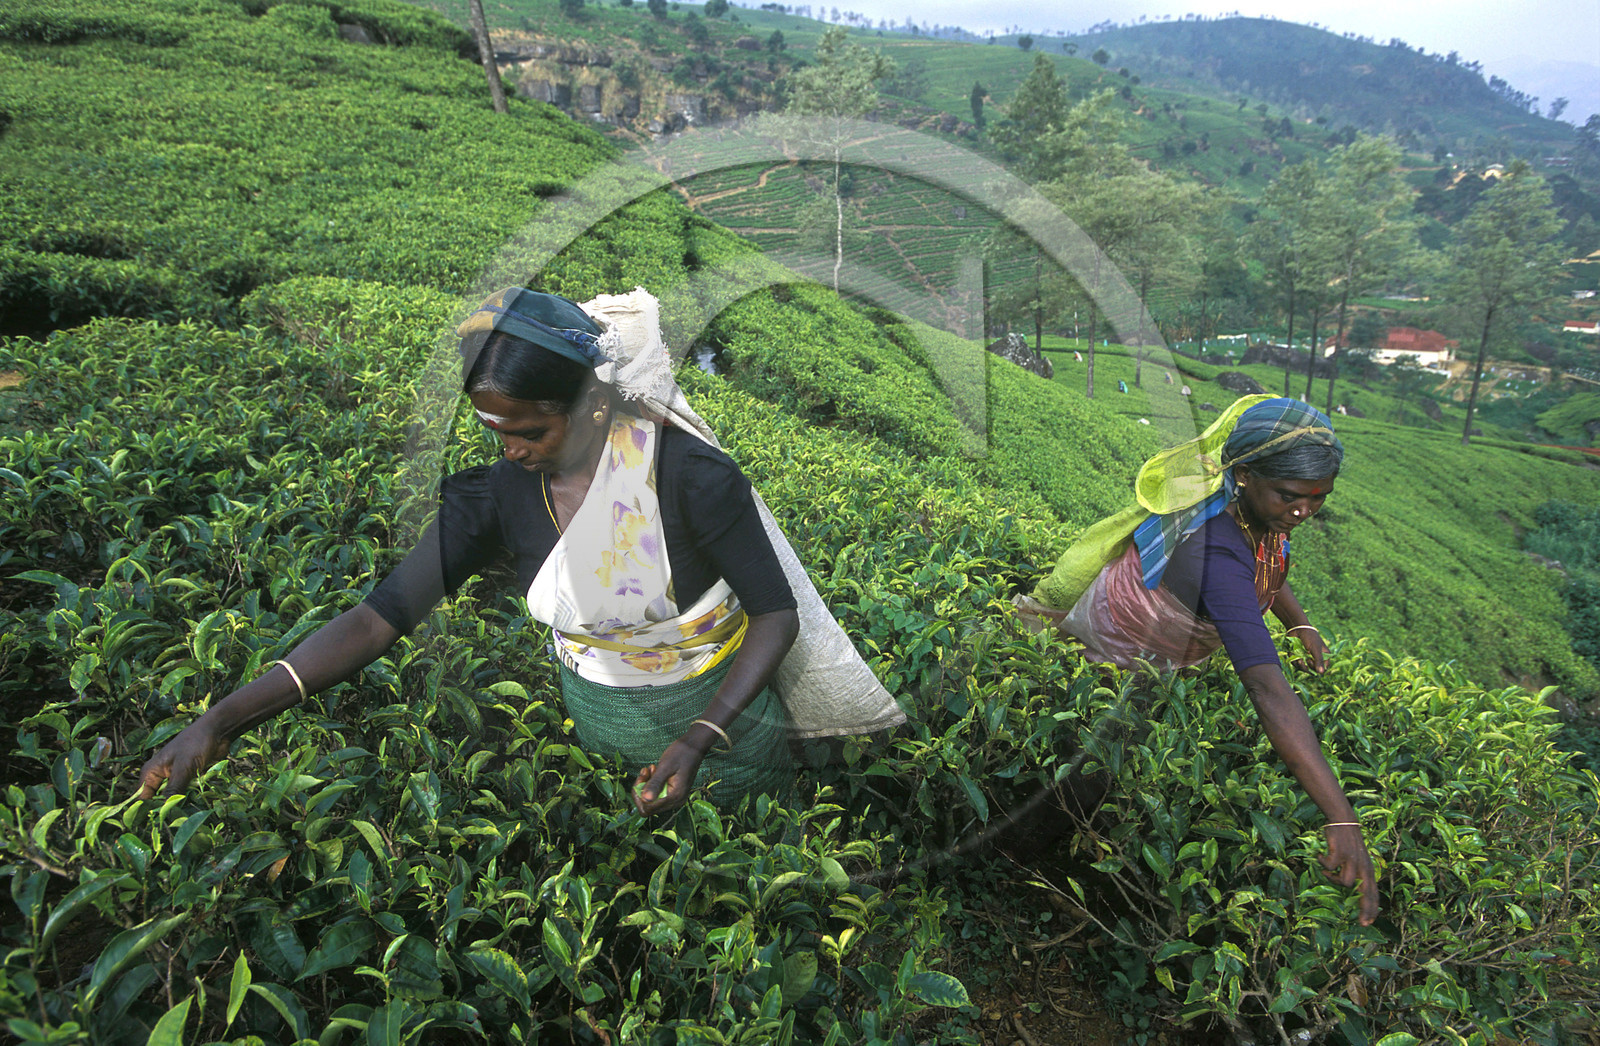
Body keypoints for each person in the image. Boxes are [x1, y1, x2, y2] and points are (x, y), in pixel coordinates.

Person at [136, 287, 901, 815]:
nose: (511, 451)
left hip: (724, 734)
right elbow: (377, 619)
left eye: (531, 431)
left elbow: (773, 615)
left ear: (593, 405)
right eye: (494, 431)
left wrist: (702, 736)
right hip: (597, 724)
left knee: (743, 863)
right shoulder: (498, 495)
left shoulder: (688, 479)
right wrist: (222, 721)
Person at [1017, 395, 1380, 926]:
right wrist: (1341, 817)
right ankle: (1017, 866)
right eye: (1290, 496)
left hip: (1167, 648)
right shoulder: (1214, 548)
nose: (1304, 511)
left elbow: (1268, 559)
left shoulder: (1250, 510)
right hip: (1121, 646)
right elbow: (1266, 687)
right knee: (1092, 767)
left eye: (1318, 497)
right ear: (1245, 476)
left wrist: (1298, 623)